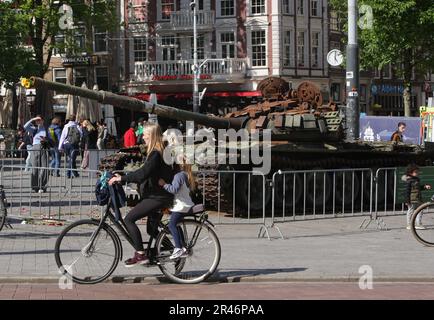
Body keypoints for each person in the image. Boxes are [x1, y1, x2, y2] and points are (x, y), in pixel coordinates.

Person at [108, 123, 174, 267]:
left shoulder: (156, 153)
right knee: (151, 229)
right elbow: (144, 171)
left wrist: (122, 178)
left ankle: (140, 254)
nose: (142, 137)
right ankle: (173, 251)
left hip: (158, 197)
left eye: (145, 134)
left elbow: (143, 174)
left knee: (129, 219)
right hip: (158, 195)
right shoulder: (157, 151)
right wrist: (123, 175)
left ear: (152, 135)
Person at [158, 157, 196, 259]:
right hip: (186, 204)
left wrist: (164, 184)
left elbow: (173, 189)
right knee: (176, 224)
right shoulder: (187, 175)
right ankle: (183, 247)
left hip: (181, 206)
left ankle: (178, 248)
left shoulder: (179, 176)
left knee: (171, 225)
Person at [24, 115, 50, 193]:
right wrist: (33, 119)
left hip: (44, 148)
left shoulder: (46, 129)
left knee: (45, 167)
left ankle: (43, 186)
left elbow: (51, 138)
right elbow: (25, 126)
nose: (38, 121)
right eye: (37, 120)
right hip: (35, 147)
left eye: (40, 120)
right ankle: (35, 186)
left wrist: (46, 140)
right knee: (35, 168)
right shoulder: (34, 129)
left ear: (43, 120)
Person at [403, 164, 431, 230]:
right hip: (412, 199)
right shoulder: (409, 181)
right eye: (416, 172)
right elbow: (407, 191)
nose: (417, 173)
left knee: (420, 210)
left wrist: (424, 186)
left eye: (417, 172)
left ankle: (418, 223)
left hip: (417, 198)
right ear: (410, 173)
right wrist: (407, 201)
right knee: (411, 211)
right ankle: (409, 224)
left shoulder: (416, 180)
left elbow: (418, 188)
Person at [59, 114, 82, 178]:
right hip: (74, 144)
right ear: (75, 119)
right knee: (72, 159)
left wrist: (60, 146)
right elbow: (81, 134)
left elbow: (62, 137)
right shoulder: (77, 126)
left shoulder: (66, 126)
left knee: (71, 159)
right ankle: (68, 174)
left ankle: (75, 173)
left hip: (66, 144)